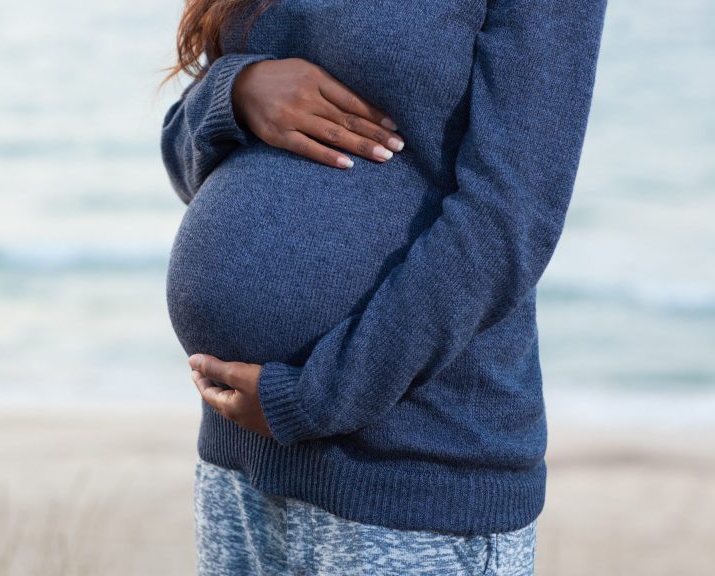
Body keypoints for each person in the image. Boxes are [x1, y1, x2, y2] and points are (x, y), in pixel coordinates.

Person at [159, 0, 608, 574]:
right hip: (241, 461)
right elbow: (186, 163)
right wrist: (235, 93)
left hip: (411, 472)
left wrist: (316, 398)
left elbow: (511, 217)